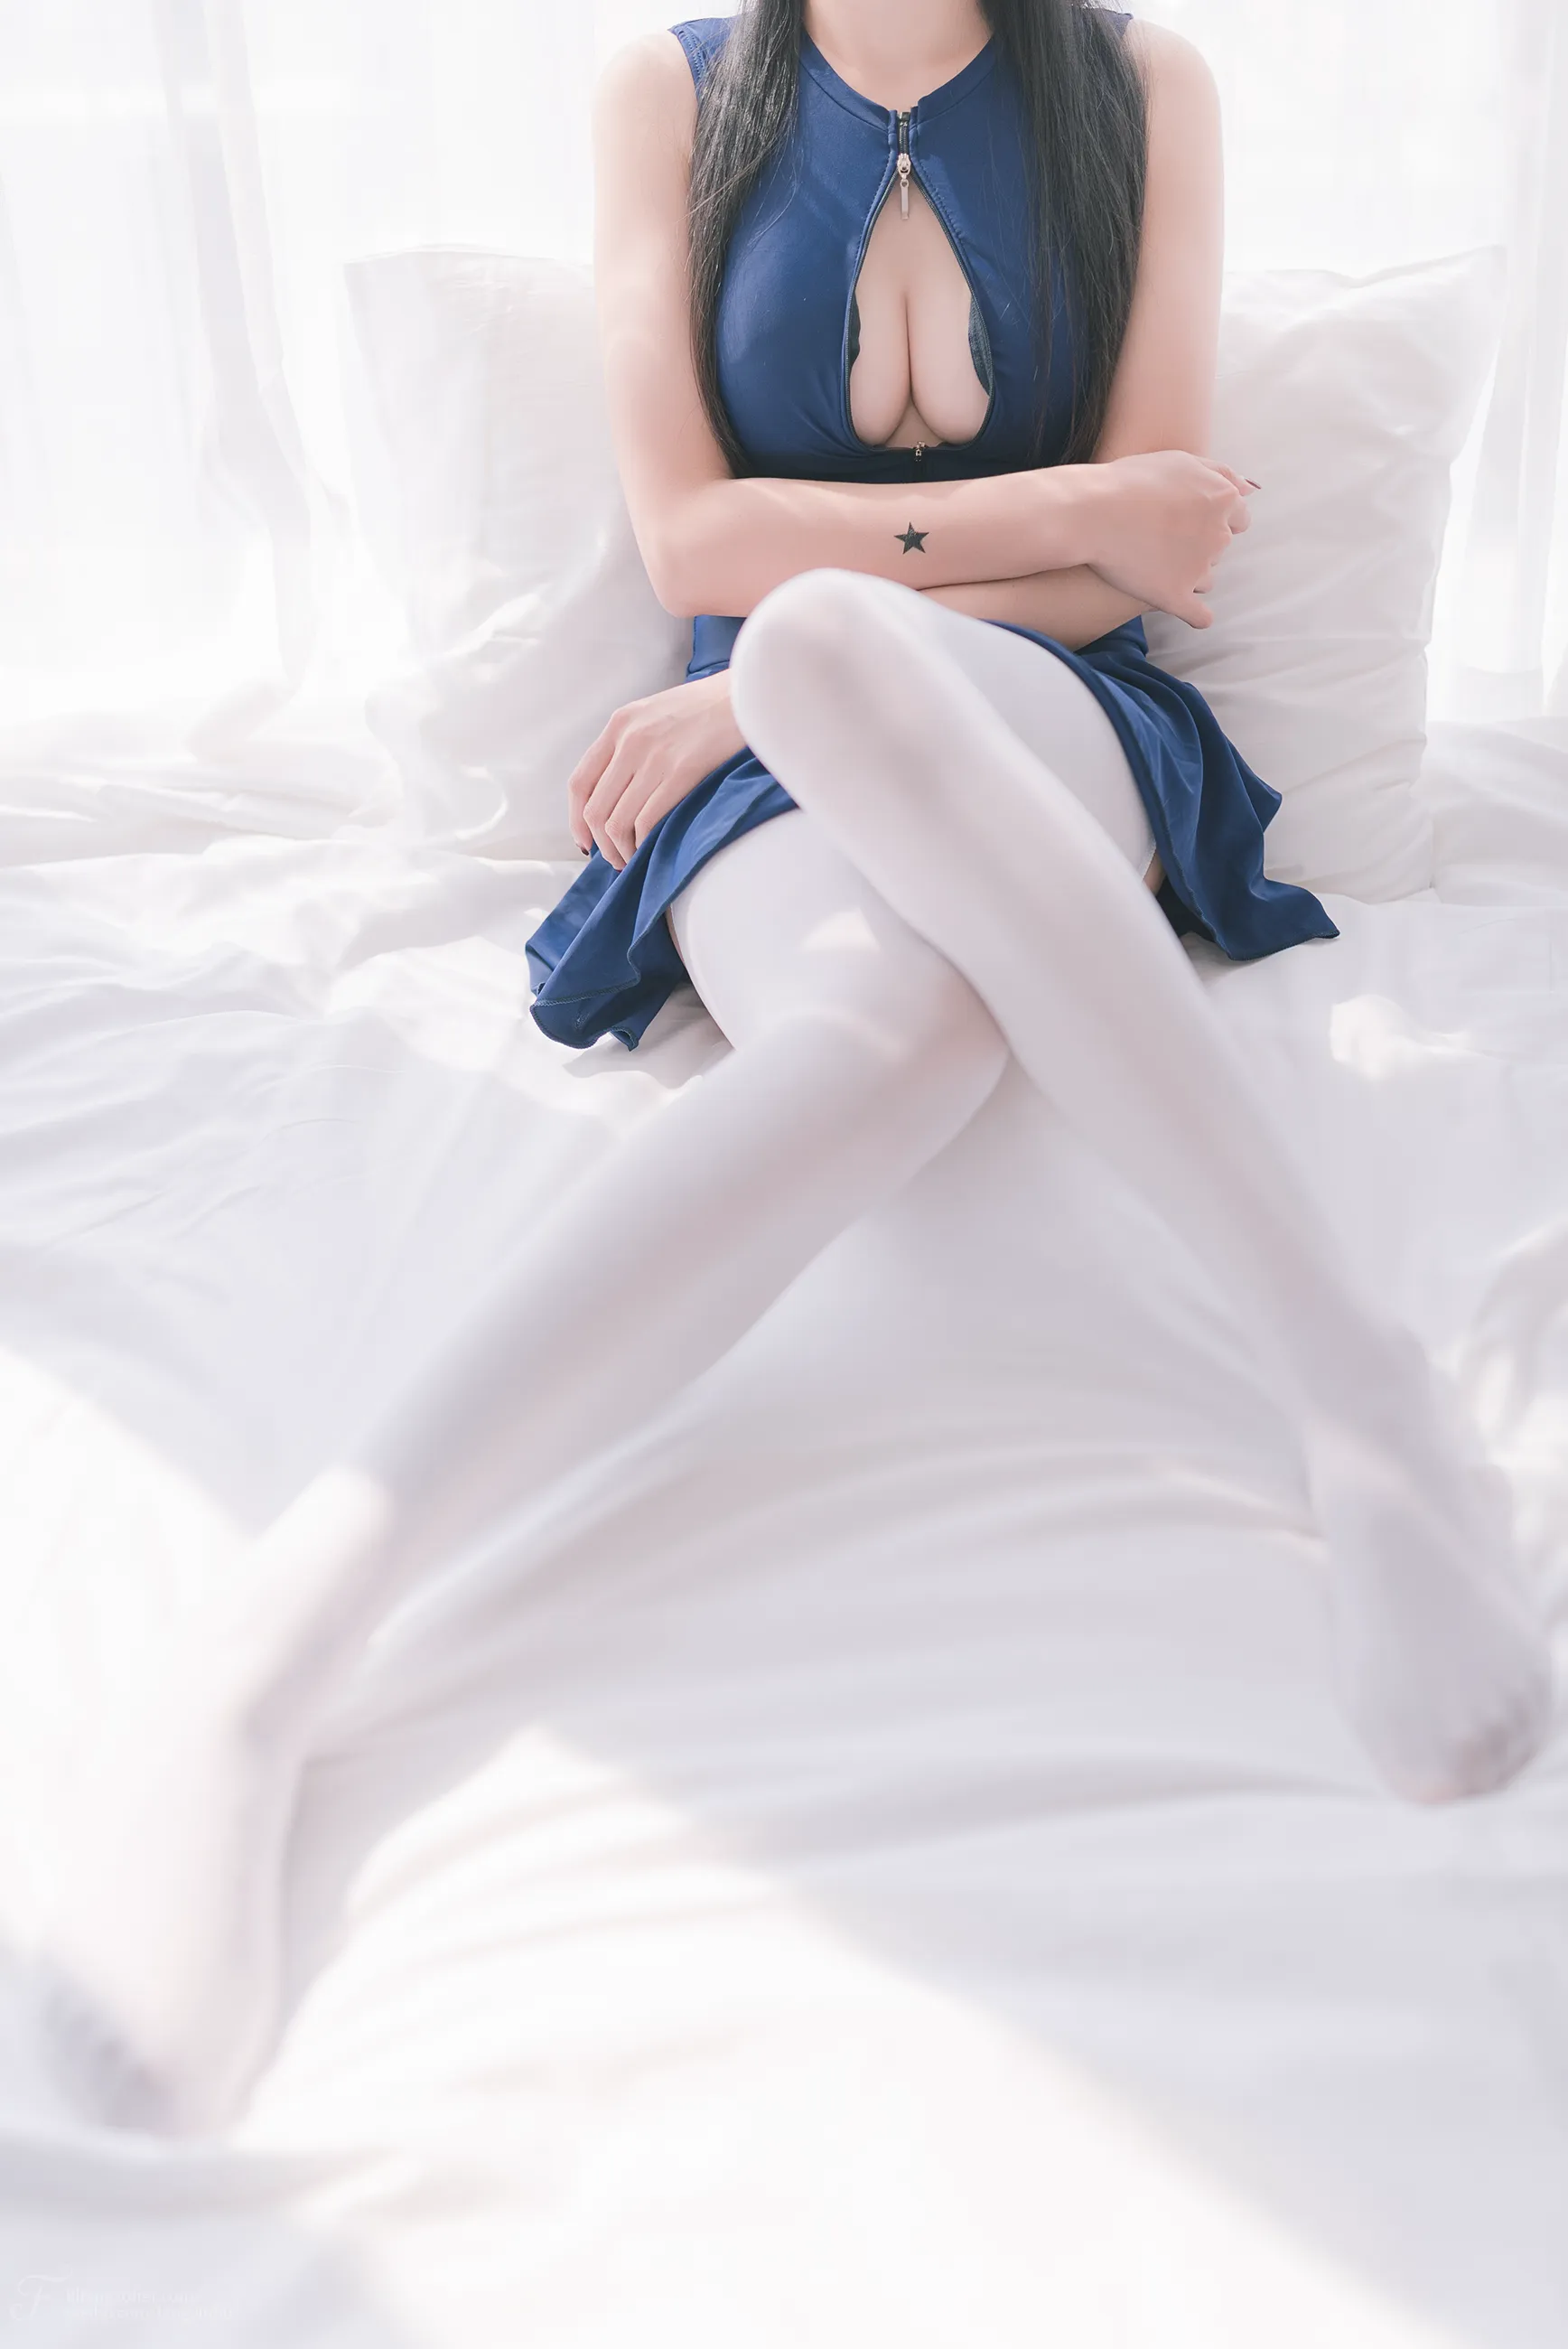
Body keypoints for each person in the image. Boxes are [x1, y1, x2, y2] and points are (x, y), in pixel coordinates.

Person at [26, 0, 1552, 2138]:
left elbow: (1153, 556)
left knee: (832, 643)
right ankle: (257, 1675)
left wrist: (828, 619)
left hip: (1044, 720)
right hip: (746, 742)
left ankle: (1361, 1406)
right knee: (879, 1027)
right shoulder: (666, 90)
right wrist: (956, 570)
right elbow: (692, 548)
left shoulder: (1139, 84)